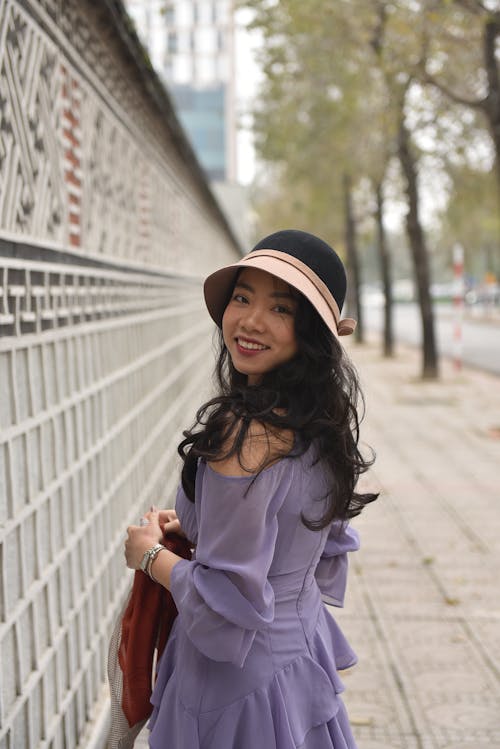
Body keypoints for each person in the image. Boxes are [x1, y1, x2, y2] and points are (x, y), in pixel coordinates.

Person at [124, 229, 378, 749]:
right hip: (297, 658)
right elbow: (298, 535)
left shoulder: (245, 433)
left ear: (308, 331)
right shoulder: (319, 421)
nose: (251, 321)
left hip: (235, 687)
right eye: (242, 298)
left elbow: (227, 604)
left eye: (280, 309)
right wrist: (196, 522)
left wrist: (149, 556)